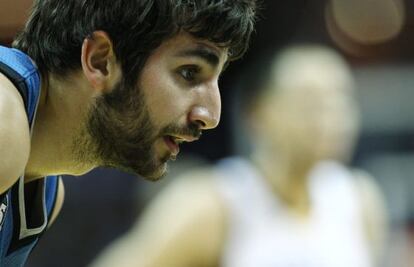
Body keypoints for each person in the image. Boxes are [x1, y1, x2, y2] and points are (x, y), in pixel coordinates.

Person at [0, 0, 257, 265]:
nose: (211, 116)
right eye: (189, 72)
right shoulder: (3, 116)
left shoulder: (47, 193)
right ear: (100, 61)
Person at [90, 45, 388, 267]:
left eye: (341, 100)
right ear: (258, 112)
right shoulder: (214, 203)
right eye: (310, 101)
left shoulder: (360, 200)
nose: (331, 117)